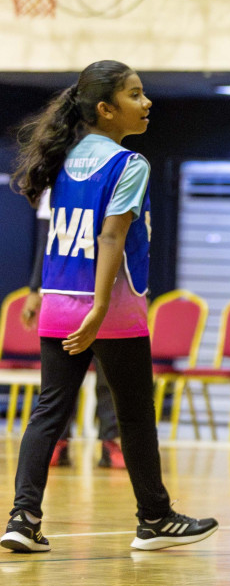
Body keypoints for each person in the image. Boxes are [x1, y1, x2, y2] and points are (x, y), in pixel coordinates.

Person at [1, 61, 217, 555]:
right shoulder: (129, 164)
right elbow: (111, 235)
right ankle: (155, 520)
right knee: (136, 415)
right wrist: (100, 308)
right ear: (105, 109)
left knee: (47, 412)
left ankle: (22, 518)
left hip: (57, 301)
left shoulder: (60, 158)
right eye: (135, 95)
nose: (147, 103)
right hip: (112, 308)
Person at [29, 189, 123, 471]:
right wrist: (35, 288)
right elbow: (45, 243)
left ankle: (111, 441)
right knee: (61, 375)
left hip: (110, 291)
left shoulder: (117, 175)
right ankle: (58, 440)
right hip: (65, 292)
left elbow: (129, 241)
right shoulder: (57, 183)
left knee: (110, 374)